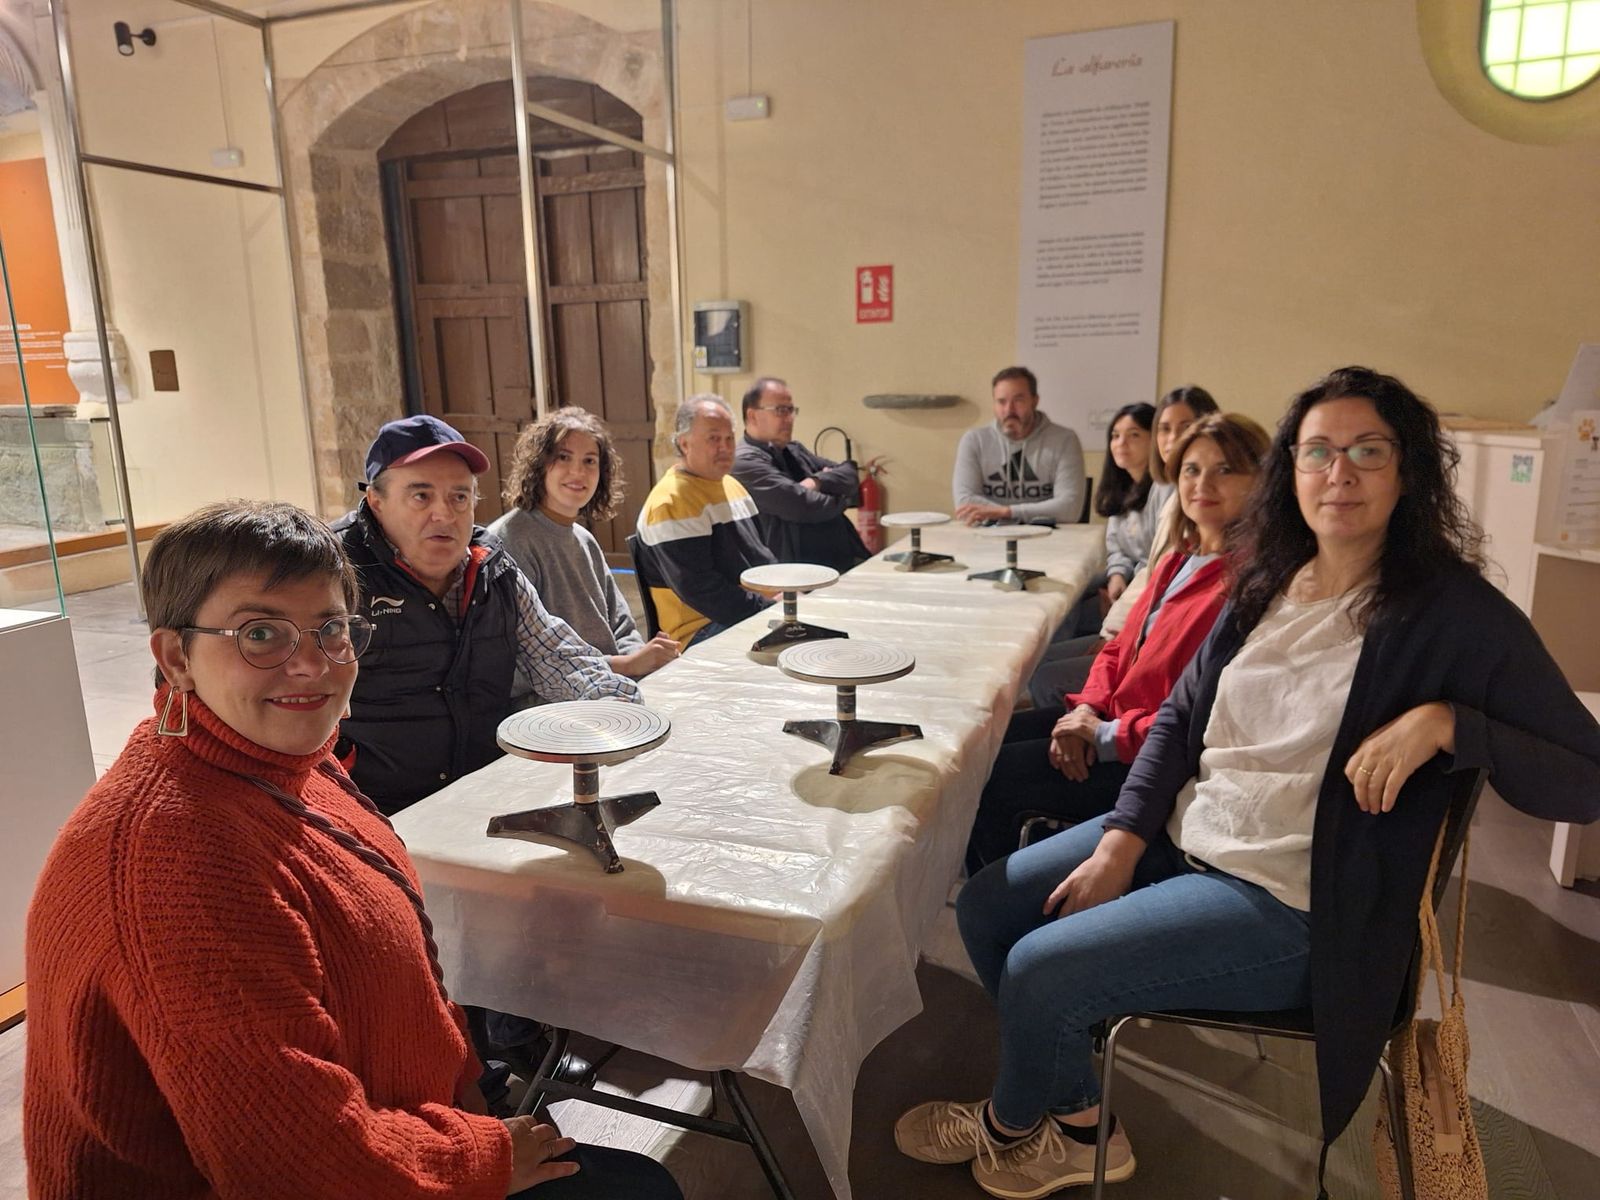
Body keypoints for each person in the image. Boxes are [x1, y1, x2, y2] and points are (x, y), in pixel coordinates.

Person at [898, 366, 1600, 1198]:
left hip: (1298, 905)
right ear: (1292, 473)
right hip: (1188, 839)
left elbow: (1584, 779)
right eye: (1318, 452)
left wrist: (1451, 724)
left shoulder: (1456, 614)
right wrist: (1122, 842)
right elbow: (1177, 728)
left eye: (1368, 451)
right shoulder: (1269, 580)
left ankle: (1013, 1126)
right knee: (987, 905)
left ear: (1409, 470)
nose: (1339, 473)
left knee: (1042, 968)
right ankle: (1084, 1120)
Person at [23, 500, 683, 1200]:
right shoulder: (172, 863)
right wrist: (479, 1157)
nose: (312, 664)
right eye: (261, 633)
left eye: (331, 628)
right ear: (176, 656)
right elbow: (296, 1165)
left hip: (401, 1125)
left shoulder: (283, 760)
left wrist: (467, 1099)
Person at [968, 414, 1269, 874]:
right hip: (1108, 721)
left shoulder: (1247, 583)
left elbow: (1200, 718)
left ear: (1261, 481)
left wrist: (1101, 737)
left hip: (1148, 756)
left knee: (994, 778)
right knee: (981, 744)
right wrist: (1084, 711)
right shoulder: (1178, 561)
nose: (1203, 482)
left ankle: (1016, 895)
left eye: (1225, 469)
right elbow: (1116, 651)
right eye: (1191, 469)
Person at [332, 414, 639, 817]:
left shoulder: (493, 569)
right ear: (376, 500)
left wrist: (624, 715)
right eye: (421, 496)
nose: (444, 514)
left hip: (486, 794)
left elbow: (560, 659)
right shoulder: (334, 574)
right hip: (376, 812)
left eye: (460, 497)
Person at [1029, 385, 1220, 704]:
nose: (1173, 439)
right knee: (1056, 608)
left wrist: (1117, 632)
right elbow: (1147, 568)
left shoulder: (1191, 498)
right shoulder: (1165, 488)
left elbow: (1159, 581)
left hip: (1155, 641)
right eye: (1165, 429)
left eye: (1185, 428)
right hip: (1137, 618)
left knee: (1046, 669)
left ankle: (1078, 739)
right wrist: (1118, 586)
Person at [490, 406, 679, 678]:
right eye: (563, 457)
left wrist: (642, 661)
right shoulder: (509, 541)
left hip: (608, 684)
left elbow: (622, 625)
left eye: (589, 461)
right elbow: (524, 660)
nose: (577, 472)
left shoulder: (584, 540)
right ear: (539, 465)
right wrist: (623, 666)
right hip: (549, 705)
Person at [635, 393, 775, 647]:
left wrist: (786, 595)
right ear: (684, 444)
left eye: (729, 438)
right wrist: (771, 609)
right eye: (713, 438)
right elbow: (705, 592)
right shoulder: (671, 501)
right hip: (701, 631)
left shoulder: (732, 486)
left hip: (748, 612)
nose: (725, 447)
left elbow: (762, 558)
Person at [731, 376, 869, 572]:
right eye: (781, 410)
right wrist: (842, 499)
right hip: (793, 575)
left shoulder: (793, 450)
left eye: (791, 410)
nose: (790, 418)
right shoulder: (745, 462)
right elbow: (803, 506)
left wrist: (816, 482)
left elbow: (850, 474)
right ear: (752, 415)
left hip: (835, 560)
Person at [1061, 402, 1157, 637]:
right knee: (1065, 591)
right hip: (1126, 581)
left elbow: (1157, 563)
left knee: (1069, 611)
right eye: (1115, 436)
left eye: (1133, 435)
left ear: (1154, 440)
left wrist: (1122, 596)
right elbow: (1116, 548)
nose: (1121, 443)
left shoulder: (1162, 491)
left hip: (1146, 593)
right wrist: (1116, 575)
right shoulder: (1121, 488)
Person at [953, 366, 1087, 526]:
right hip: (987, 537)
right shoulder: (975, 441)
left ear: (1034, 401)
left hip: (1048, 540)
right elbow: (965, 503)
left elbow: (1070, 509)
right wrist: (1025, 515)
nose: (1009, 410)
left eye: (1018, 400)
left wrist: (1006, 513)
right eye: (1001, 402)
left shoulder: (1065, 440)